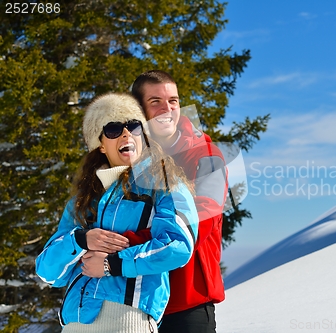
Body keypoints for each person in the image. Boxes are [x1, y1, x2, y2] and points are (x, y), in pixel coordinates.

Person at [35, 93, 199, 333]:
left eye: (133, 126)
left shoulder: (165, 184)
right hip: (74, 323)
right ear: (101, 144)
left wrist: (112, 264)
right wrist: (81, 239)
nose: (126, 133)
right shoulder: (82, 201)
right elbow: (48, 272)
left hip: (129, 320)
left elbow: (178, 246)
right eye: (113, 129)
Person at [132, 70, 228, 333]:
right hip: (136, 302)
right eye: (155, 102)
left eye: (173, 101)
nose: (167, 109)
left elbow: (199, 225)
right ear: (139, 110)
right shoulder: (130, 158)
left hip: (187, 300)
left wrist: (125, 244)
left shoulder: (207, 156)